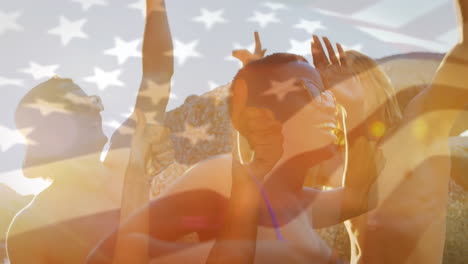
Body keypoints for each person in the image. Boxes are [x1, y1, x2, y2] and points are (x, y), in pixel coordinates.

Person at [87, 51, 384, 264]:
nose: (330, 105)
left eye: (329, 94)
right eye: (311, 91)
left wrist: (355, 110)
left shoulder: (294, 201)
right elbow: (110, 251)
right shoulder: (224, 179)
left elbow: (360, 198)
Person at [6, 0, 174, 263]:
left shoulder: (124, 159)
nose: (97, 111)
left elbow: (158, 74)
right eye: (81, 105)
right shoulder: (29, 228)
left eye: (94, 101)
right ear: (49, 133)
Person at [309, 0, 468, 262]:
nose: (336, 94)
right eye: (329, 89)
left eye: (346, 79)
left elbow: (464, 55)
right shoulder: (336, 161)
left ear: (373, 82)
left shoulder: (421, 127)